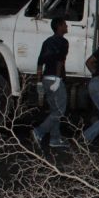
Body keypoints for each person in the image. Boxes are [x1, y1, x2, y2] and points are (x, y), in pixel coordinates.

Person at [32, 18, 70, 148]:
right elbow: (60, 60)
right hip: (55, 79)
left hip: (46, 79)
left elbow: (39, 62)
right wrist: (58, 80)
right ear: (59, 26)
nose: (67, 26)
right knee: (60, 111)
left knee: (54, 110)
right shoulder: (63, 42)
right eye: (65, 24)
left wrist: (38, 83)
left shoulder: (47, 41)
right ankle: (39, 131)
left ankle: (55, 139)